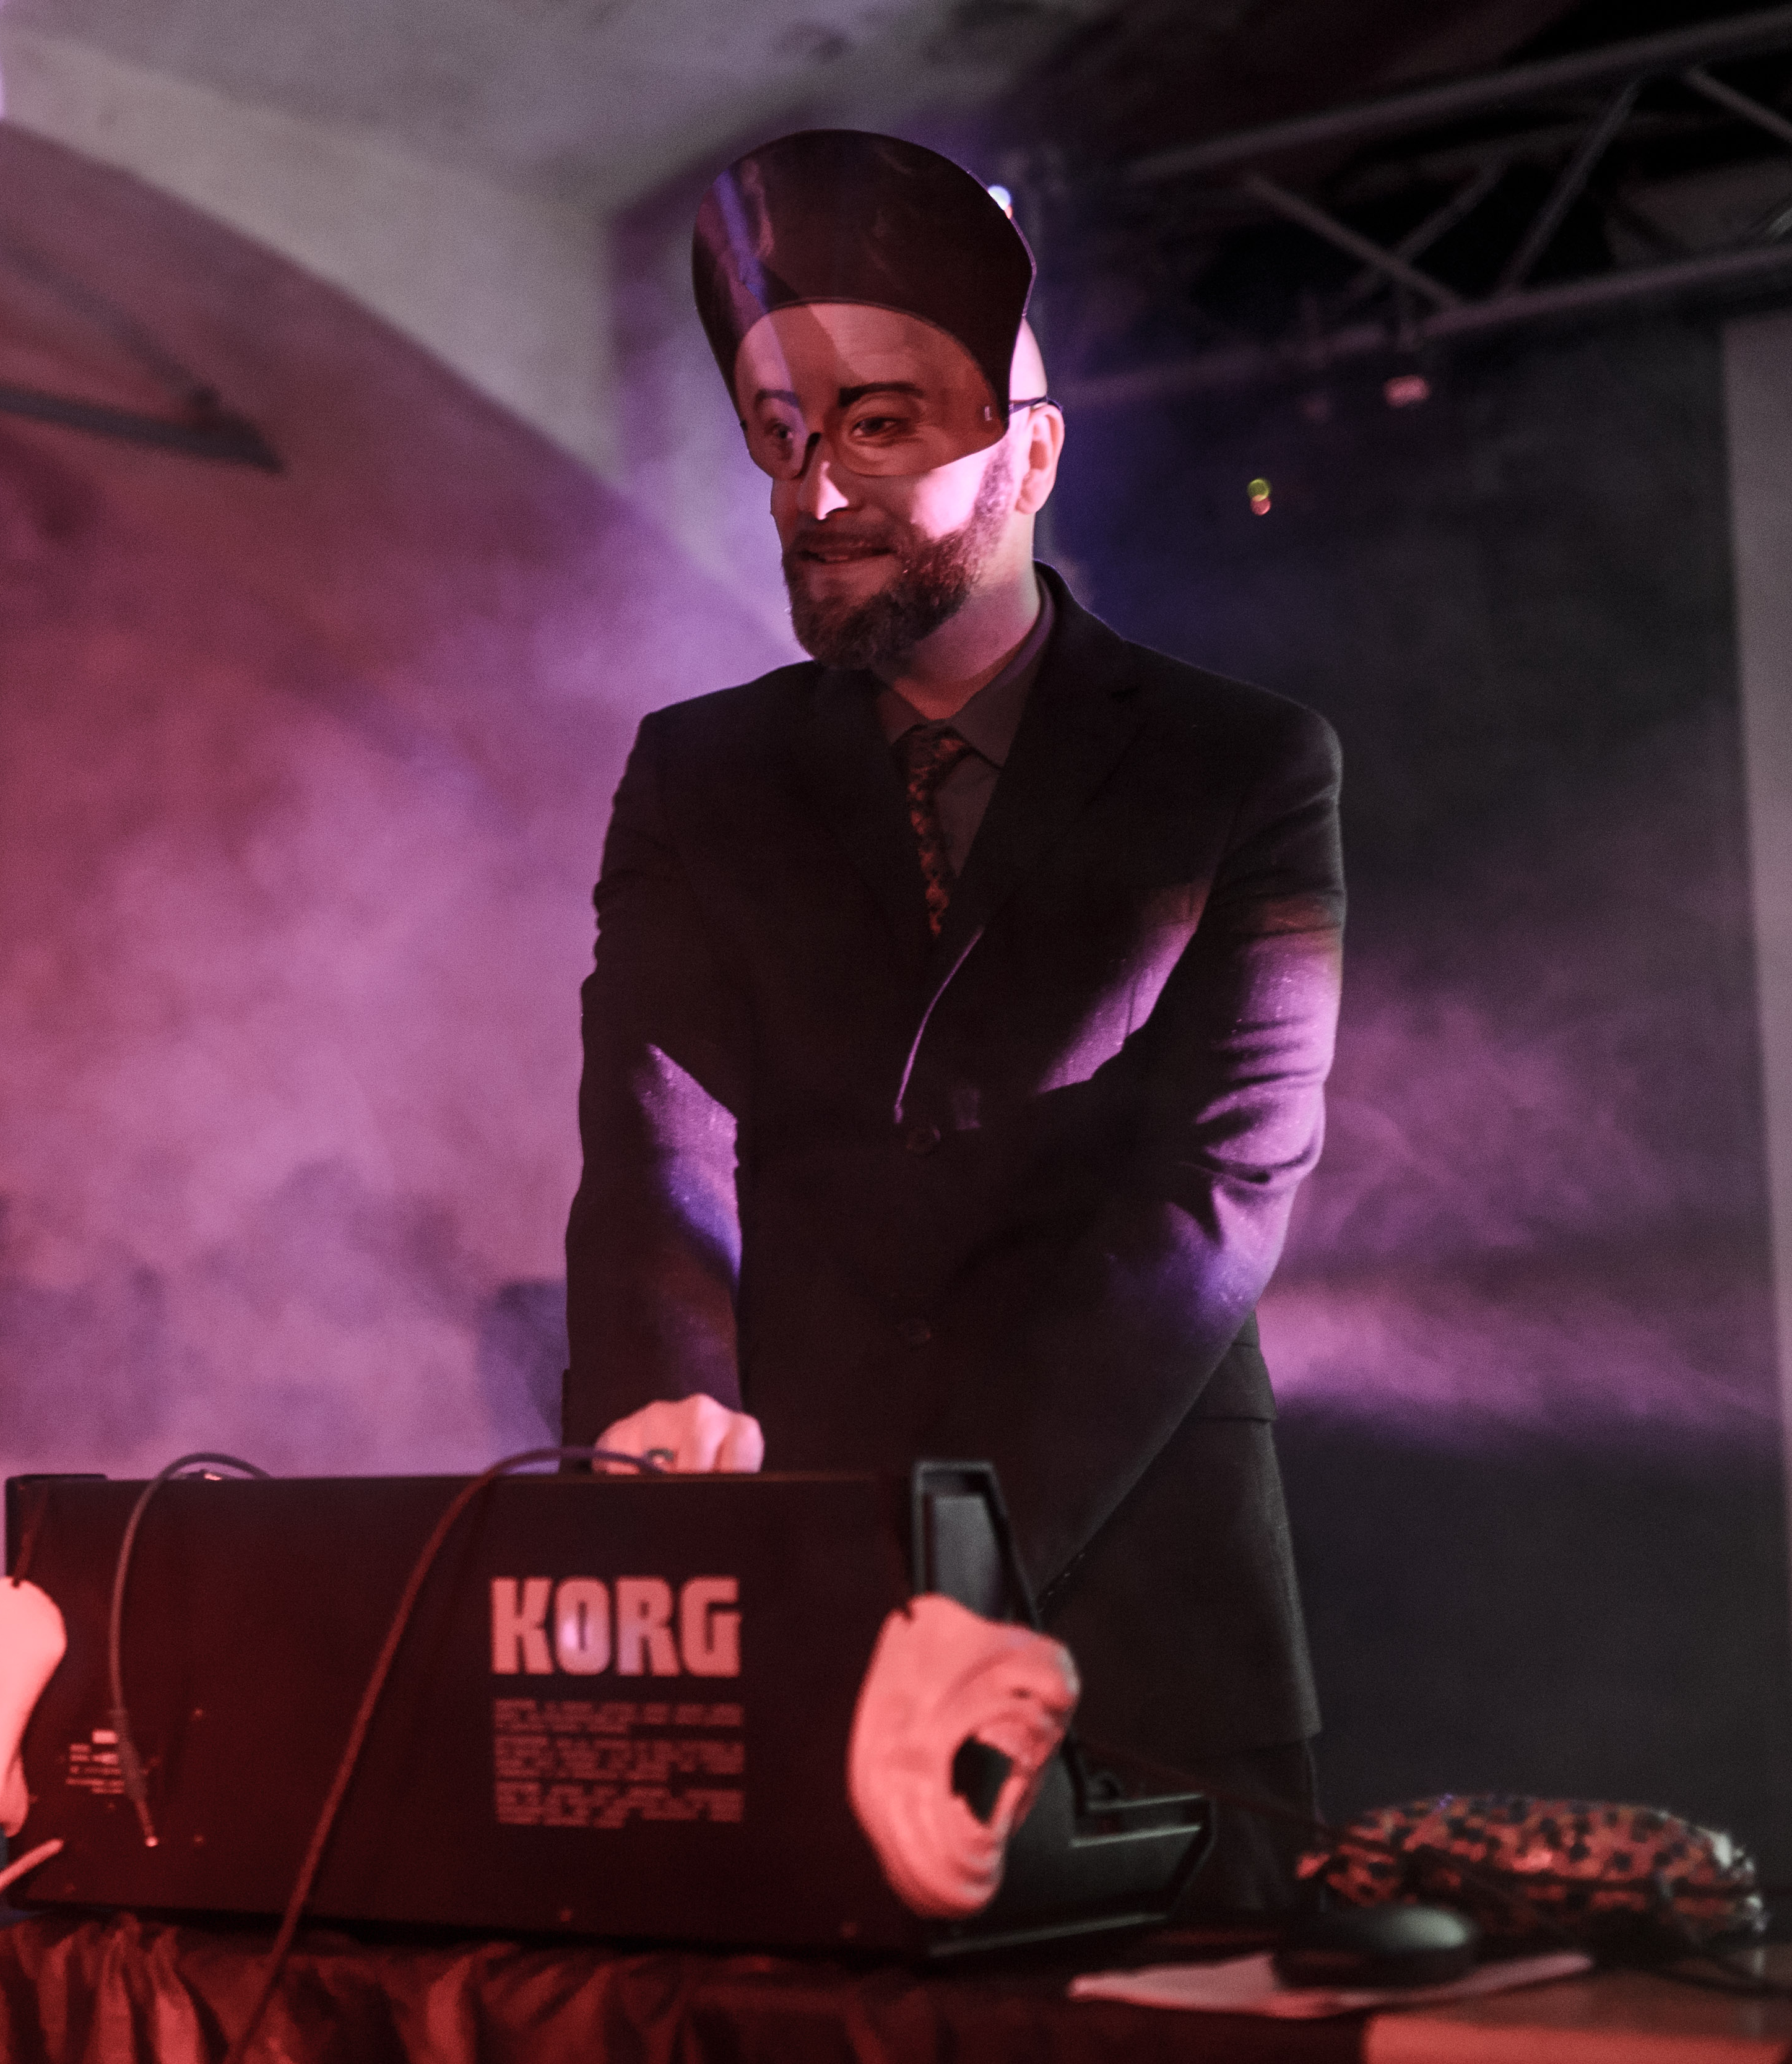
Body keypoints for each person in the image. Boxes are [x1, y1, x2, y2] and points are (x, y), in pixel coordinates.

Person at [563, 130, 1344, 1907]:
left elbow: (1222, 1184)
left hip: (1135, 1598)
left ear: (1032, 455)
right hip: (800, 1599)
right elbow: (652, 1135)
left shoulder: (1238, 760)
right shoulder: (694, 772)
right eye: (780, 436)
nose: (815, 491)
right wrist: (664, 1429)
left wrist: (961, 1559)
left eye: (879, 427)